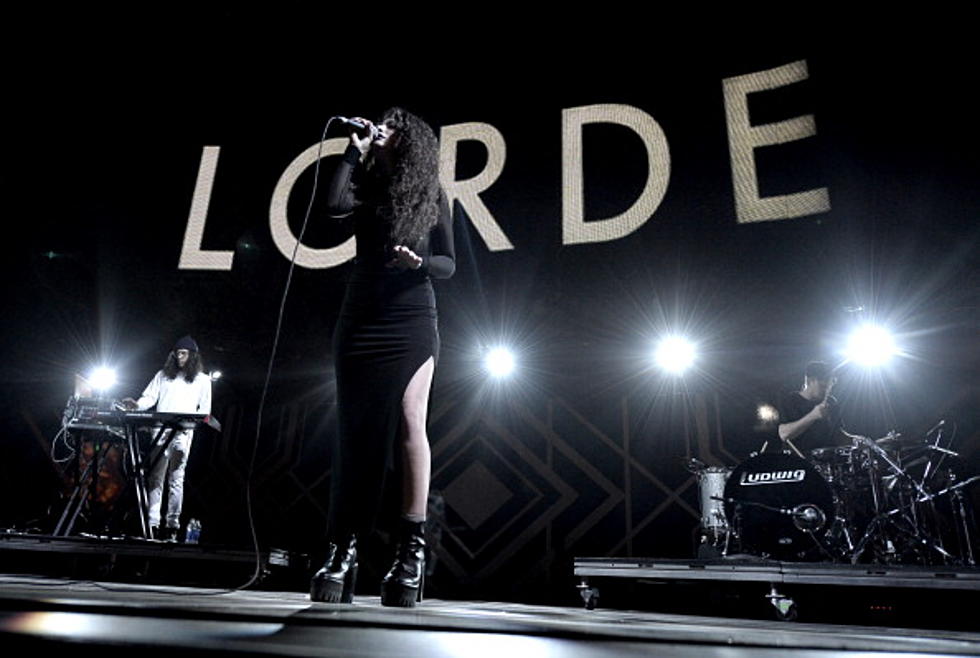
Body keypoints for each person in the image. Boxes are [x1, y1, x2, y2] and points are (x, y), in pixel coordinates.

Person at [310, 108, 455, 607]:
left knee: (409, 418)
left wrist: (420, 263)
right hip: (361, 314)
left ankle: (409, 555)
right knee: (356, 432)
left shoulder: (433, 195)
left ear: (409, 139)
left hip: (411, 316)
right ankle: (343, 549)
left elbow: (448, 262)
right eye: (380, 124)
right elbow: (331, 206)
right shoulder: (367, 186)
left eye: (390, 126)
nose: (380, 128)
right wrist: (355, 150)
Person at [122, 336, 212, 541]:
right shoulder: (163, 376)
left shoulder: (203, 379)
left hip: (183, 433)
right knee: (155, 478)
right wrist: (136, 405)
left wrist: (193, 422)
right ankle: (152, 523)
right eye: (177, 353)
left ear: (192, 356)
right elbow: (150, 397)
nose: (180, 357)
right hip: (160, 431)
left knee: (176, 478)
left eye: (184, 353)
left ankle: (172, 524)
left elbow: (205, 409)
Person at [777, 360, 844, 454]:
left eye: (829, 387)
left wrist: (858, 440)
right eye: (822, 386)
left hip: (829, 462)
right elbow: (784, 434)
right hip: (799, 462)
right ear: (809, 381)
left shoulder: (831, 402)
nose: (827, 390)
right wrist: (813, 416)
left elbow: (839, 434)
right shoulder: (790, 400)